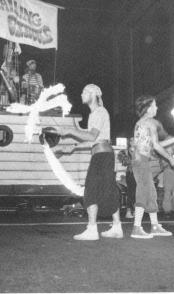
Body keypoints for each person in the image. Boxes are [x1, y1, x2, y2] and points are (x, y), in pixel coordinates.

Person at [56, 85, 122, 240]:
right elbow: (95, 140)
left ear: (94, 94)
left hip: (102, 156)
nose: (81, 94)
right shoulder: (96, 113)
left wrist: (71, 131)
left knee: (91, 189)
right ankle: (117, 227)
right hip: (103, 154)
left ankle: (92, 229)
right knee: (108, 190)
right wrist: (73, 147)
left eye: (85, 92)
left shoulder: (99, 112)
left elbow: (92, 137)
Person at [131, 95, 174, 238]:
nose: (157, 107)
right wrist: (171, 159)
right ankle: (136, 227)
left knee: (151, 192)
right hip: (141, 160)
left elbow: (153, 145)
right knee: (143, 192)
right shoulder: (151, 121)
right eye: (154, 105)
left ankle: (154, 226)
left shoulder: (142, 122)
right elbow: (156, 146)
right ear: (148, 108)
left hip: (140, 159)